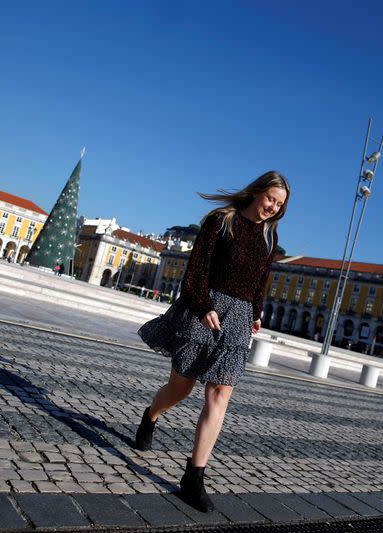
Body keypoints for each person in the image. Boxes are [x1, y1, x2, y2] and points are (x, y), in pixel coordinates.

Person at [135, 171, 290, 512]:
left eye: (279, 205)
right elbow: (197, 270)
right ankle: (151, 415)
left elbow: (261, 278)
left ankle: (194, 476)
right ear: (255, 192)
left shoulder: (269, 234)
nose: (272, 208)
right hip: (206, 307)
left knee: (220, 394)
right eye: (270, 200)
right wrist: (203, 305)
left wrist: (256, 311)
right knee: (181, 387)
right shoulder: (221, 222)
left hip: (239, 318)